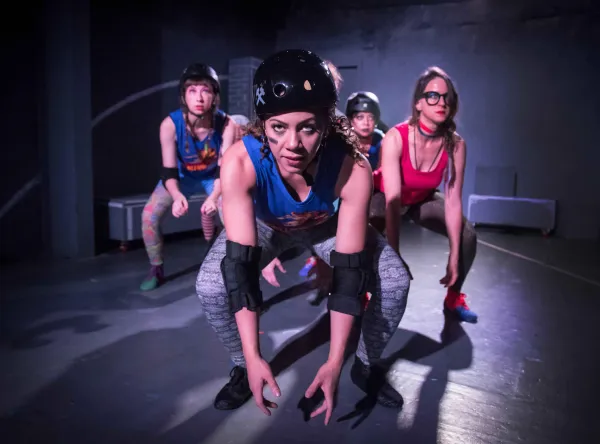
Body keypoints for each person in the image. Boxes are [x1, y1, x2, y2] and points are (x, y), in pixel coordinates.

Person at [195, 49, 411, 422]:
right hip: (267, 226)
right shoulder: (240, 161)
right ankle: (243, 368)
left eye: (308, 128)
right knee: (212, 286)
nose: (292, 144)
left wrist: (334, 361)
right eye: (279, 128)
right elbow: (240, 272)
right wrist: (252, 356)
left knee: (395, 281)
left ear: (327, 124)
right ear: (264, 124)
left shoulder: (353, 167)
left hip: (324, 224)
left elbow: (348, 277)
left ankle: (364, 365)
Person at [376, 66, 478, 323]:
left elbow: (453, 200)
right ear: (418, 103)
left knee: (467, 235)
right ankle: (362, 294)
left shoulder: (456, 144)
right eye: (433, 96)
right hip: (382, 198)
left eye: (446, 97)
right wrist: (395, 255)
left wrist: (454, 254)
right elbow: (392, 200)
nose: (441, 102)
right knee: (361, 235)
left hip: (420, 199)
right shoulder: (396, 137)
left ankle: (453, 298)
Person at [140, 63, 239, 291]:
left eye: (205, 90)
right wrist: (176, 196)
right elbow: (169, 170)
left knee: (231, 216)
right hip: (182, 177)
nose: (199, 97)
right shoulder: (170, 125)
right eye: (192, 90)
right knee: (148, 216)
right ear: (183, 96)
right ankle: (156, 267)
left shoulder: (227, 125)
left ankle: (232, 266)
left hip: (213, 178)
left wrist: (213, 197)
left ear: (215, 95)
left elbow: (223, 170)